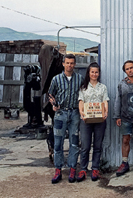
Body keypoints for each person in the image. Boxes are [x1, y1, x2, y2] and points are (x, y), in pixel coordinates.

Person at [48, 54, 84, 184]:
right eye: (67, 63)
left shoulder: (80, 79)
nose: (70, 65)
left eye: (72, 63)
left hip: (74, 114)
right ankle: (58, 169)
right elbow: (50, 94)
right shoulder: (56, 79)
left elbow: (83, 95)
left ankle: (72, 168)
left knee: (74, 142)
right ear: (63, 64)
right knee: (58, 143)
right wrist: (53, 104)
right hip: (60, 114)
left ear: (75, 64)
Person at [76, 62, 109, 182]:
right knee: (85, 146)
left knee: (97, 145)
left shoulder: (103, 87)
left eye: (96, 72)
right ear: (88, 73)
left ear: (99, 73)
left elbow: (105, 101)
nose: (94, 74)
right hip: (86, 120)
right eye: (92, 72)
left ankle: (95, 168)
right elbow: (81, 101)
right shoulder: (83, 87)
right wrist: (82, 113)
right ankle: (83, 169)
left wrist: (106, 112)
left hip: (100, 120)